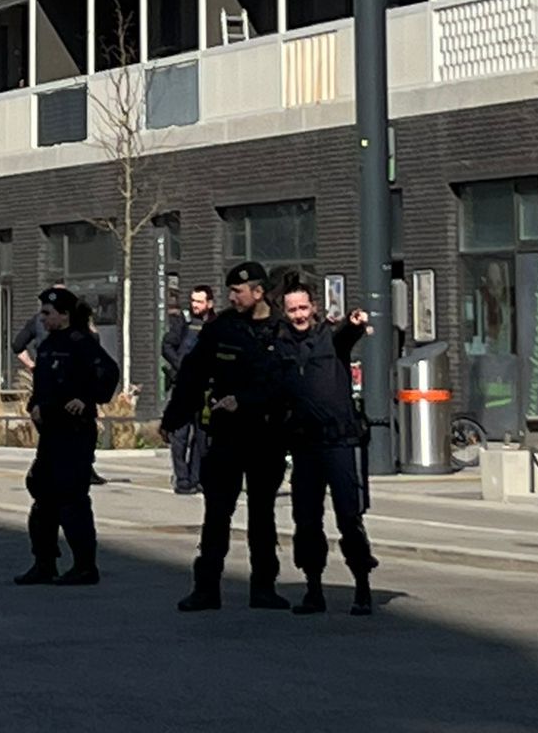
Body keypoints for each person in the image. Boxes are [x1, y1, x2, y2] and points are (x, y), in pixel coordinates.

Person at [161, 261, 287, 611]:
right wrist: (173, 417)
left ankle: (264, 587)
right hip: (226, 436)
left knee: (263, 515)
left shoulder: (281, 330)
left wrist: (246, 401)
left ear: (259, 292)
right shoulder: (223, 329)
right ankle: (205, 588)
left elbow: (286, 383)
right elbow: (193, 374)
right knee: (217, 514)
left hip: (265, 436)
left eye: (239, 291)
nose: (232, 297)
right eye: (230, 291)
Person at [274, 281, 377, 616]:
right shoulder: (280, 345)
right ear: (285, 312)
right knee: (306, 520)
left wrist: (355, 321)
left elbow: (347, 333)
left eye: (304, 308)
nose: (299, 315)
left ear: (314, 307)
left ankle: (362, 588)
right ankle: (313, 589)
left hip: (339, 441)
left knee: (349, 515)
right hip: (304, 444)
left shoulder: (329, 338)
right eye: (293, 310)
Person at [14, 287, 120, 588]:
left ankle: (85, 566)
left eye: (48, 313)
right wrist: (33, 406)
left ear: (64, 315)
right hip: (50, 433)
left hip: (74, 431)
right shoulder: (47, 346)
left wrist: (87, 398)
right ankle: (43, 562)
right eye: (42, 313)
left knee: (71, 499)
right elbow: (42, 385)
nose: (43, 318)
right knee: (42, 495)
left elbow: (107, 374)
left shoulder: (81, 343)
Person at [160, 285, 216, 495]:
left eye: (199, 302)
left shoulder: (215, 324)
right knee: (179, 437)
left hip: (205, 390)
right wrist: (182, 367)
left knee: (201, 437)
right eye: (193, 301)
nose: (195, 305)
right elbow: (167, 347)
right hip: (182, 387)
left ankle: (196, 478)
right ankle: (182, 480)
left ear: (209, 303)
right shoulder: (182, 323)